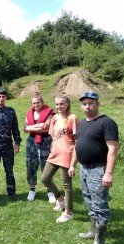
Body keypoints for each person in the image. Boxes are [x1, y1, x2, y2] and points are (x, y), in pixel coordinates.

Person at [71, 91, 119, 244]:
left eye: (91, 103)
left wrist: (109, 173)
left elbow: (112, 149)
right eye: (84, 104)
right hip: (84, 169)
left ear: (97, 104)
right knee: (89, 201)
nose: (87, 106)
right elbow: (77, 146)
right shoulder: (82, 123)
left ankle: (99, 243)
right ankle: (93, 231)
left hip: (98, 170)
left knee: (100, 207)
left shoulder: (107, 123)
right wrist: (72, 165)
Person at [41, 93, 78, 223]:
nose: (59, 106)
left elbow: (76, 140)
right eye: (57, 104)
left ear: (67, 104)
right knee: (45, 179)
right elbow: (52, 136)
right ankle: (60, 199)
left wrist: (73, 162)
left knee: (67, 185)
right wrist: (52, 149)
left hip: (67, 154)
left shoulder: (72, 117)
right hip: (54, 154)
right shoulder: (55, 118)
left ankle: (68, 212)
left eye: (62, 104)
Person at [24, 93, 55, 202]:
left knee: (46, 164)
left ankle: (50, 190)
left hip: (45, 140)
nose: (36, 104)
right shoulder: (29, 114)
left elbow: (46, 128)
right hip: (31, 141)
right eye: (34, 103)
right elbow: (25, 128)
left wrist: (31, 128)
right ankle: (32, 189)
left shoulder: (49, 113)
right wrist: (39, 126)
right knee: (31, 164)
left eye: (38, 102)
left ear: (42, 102)